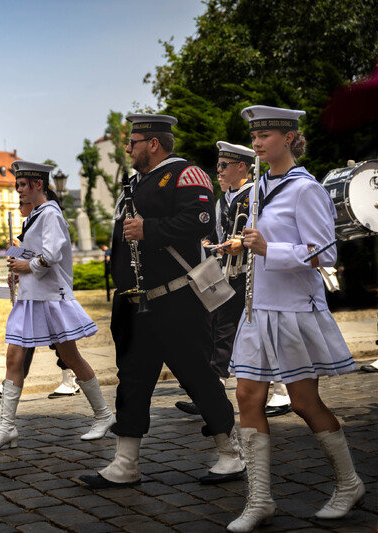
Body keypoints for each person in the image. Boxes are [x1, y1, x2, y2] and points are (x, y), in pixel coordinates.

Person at [80, 114, 245, 489]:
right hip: (138, 302)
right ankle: (125, 463)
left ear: (153, 143)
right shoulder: (135, 183)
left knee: (198, 376)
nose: (128, 148)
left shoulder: (187, 174)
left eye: (133, 141)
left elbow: (202, 220)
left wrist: (149, 229)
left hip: (177, 300)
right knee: (132, 382)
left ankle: (230, 453)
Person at [226, 105, 364, 532]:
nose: (256, 141)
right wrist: (239, 245)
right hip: (256, 309)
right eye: (254, 135)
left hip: (292, 311)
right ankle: (260, 500)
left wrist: (271, 249)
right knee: (247, 397)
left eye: (265, 134)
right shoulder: (256, 188)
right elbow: (260, 239)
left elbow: (326, 253)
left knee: (304, 403)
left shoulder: (307, 189)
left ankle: (349, 483)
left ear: (289, 137)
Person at [0, 161, 113, 451]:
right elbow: (34, 251)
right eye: (17, 184)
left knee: (71, 358)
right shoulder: (36, 214)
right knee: (14, 358)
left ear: (38, 184)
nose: (18, 190)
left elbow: (50, 254)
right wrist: (17, 267)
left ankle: (103, 415)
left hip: (50, 297)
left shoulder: (50, 213)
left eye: (22, 184)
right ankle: (6, 427)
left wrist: (27, 265)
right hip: (32, 297)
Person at [175, 142, 291, 418]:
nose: (219, 171)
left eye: (224, 166)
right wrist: (210, 242)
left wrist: (243, 243)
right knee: (221, 331)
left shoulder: (257, 194)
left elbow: (271, 233)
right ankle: (211, 396)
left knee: (264, 332)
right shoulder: (222, 199)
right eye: (217, 166)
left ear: (242, 167)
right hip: (229, 274)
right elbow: (217, 233)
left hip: (257, 275)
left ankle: (282, 392)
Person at [0, 200, 81, 401]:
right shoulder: (30, 221)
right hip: (34, 293)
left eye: (22, 202)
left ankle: (73, 382)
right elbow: (28, 253)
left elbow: (46, 256)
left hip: (50, 293)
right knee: (23, 345)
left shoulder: (47, 216)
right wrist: (12, 252)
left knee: (64, 348)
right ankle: (9, 404)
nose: (19, 205)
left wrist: (22, 262)